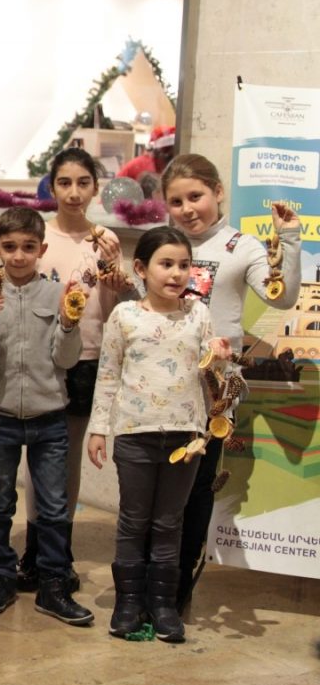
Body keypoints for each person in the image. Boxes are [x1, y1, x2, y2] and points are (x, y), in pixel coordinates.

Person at [161, 155, 301, 609]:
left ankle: (178, 586)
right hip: (158, 387)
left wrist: (291, 241)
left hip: (212, 393)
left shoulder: (243, 246)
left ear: (219, 192)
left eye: (195, 196)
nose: (187, 208)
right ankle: (147, 583)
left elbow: (283, 300)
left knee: (197, 489)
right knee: (155, 487)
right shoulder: (162, 244)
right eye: (176, 200)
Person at [88, 226, 230, 643]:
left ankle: (165, 605)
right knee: (134, 521)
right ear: (141, 268)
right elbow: (108, 375)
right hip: (134, 434)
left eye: (184, 265)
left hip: (188, 435)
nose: (176, 273)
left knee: (170, 521)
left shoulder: (198, 314)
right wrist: (99, 429)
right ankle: (128, 603)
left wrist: (219, 362)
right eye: (166, 264)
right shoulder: (125, 315)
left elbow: (211, 376)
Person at [0, 207, 92, 625]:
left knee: (54, 507)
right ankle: (1, 574)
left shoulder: (58, 294)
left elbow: (66, 359)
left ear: (42, 249)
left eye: (28, 247)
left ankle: (53, 583)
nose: (19, 256)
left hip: (50, 418)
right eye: (10, 247)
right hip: (0, 417)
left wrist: (71, 324)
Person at [20, 148, 131, 592]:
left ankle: (57, 551)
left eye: (83, 183)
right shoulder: (38, 238)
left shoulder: (105, 241)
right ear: (51, 185)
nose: (73, 192)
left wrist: (113, 271)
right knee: (37, 460)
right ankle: (32, 551)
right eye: (64, 182)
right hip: (41, 360)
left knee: (66, 462)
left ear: (95, 187)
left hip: (86, 360)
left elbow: (111, 310)